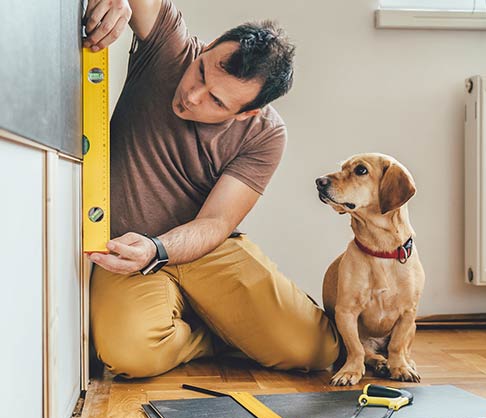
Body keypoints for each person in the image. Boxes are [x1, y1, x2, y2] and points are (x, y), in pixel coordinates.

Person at [83, 0, 339, 378]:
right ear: (209, 46)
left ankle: (218, 322)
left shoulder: (265, 134)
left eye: (217, 100)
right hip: (125, 248)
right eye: (201, 72)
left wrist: (160, 248)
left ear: (247, 112)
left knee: (318, 350)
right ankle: (215, 336)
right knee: (130, 355)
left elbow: (217, 223)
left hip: (204, 247)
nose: (192, 95)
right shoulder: (169, 47)